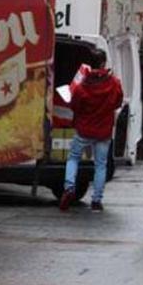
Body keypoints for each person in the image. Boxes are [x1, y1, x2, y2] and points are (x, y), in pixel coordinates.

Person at [60, 50, 123, 212]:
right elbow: (117, 102)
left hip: (84, 129)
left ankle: (69, 187)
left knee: (73, 158)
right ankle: (96, 200)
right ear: (103, 63)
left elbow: (74, 106)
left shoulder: (82, 86)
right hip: (103, 131)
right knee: (100, 165)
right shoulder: (114, 83)